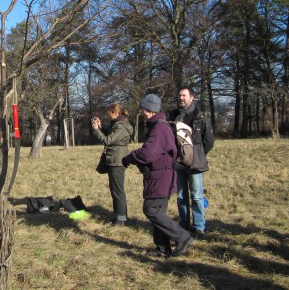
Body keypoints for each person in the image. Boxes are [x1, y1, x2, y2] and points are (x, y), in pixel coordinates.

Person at [122, 94, 193, 258]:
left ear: (151, 110)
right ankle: (162, 249)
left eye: (144, 109)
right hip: (160, 175)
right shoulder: (159, 126)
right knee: (157, 212)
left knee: (151, 210)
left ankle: (183, 237)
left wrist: (130, 157)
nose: (142, 112)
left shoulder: (159, 128)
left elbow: (148, 153)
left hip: (161, 177)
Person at [168, 86, 215, 236]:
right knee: (181, 196)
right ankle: (184, 224)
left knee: (196, 196)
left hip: (195, 164)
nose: (181, 98)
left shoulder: (200, 116)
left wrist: (198, 155)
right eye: (179, 95)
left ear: (191, 97)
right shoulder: (173, 116)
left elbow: (209, 140)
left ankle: (199, 226)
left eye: (184, 95)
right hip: (179, 163)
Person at [92, 104, 133, 226]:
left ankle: (121, 219)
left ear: (115, 113)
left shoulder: (121, 126)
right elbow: (111, 136)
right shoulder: (118, 124)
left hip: (117, 161)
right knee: (115, 189)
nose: (108, 117)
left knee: (117, 190)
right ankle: (119, 215)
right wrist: (100, 127)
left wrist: (96, 130)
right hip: (113, 159)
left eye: (109, 114)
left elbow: (107, 140)